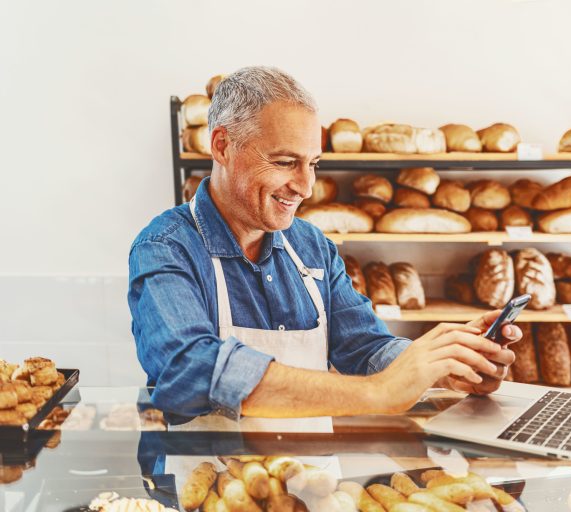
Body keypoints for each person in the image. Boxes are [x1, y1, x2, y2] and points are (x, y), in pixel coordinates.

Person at [128, 66, 522, 428]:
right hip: (203, 491)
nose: (305, 187)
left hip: (307, 489)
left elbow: (364, 347)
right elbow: (189, 368)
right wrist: (380, 392)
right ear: (222, 146)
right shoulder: (165, 247)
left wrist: (438, 365)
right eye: (285, 162)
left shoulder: (311, 245)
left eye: (313, 164)